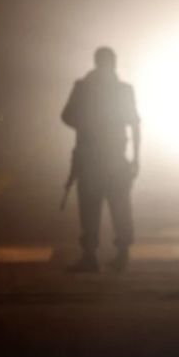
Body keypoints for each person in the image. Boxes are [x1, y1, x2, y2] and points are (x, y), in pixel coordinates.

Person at [61, 46, 140, 273]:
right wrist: (136, 158)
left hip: (93, 159)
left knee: (92, 209)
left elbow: (66, 116)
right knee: (118, 209)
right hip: (111, 158)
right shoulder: (122, 90)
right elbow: (134, 125)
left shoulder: (84, 88)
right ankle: (118, 254)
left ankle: (91, 256)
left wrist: (86, 125)